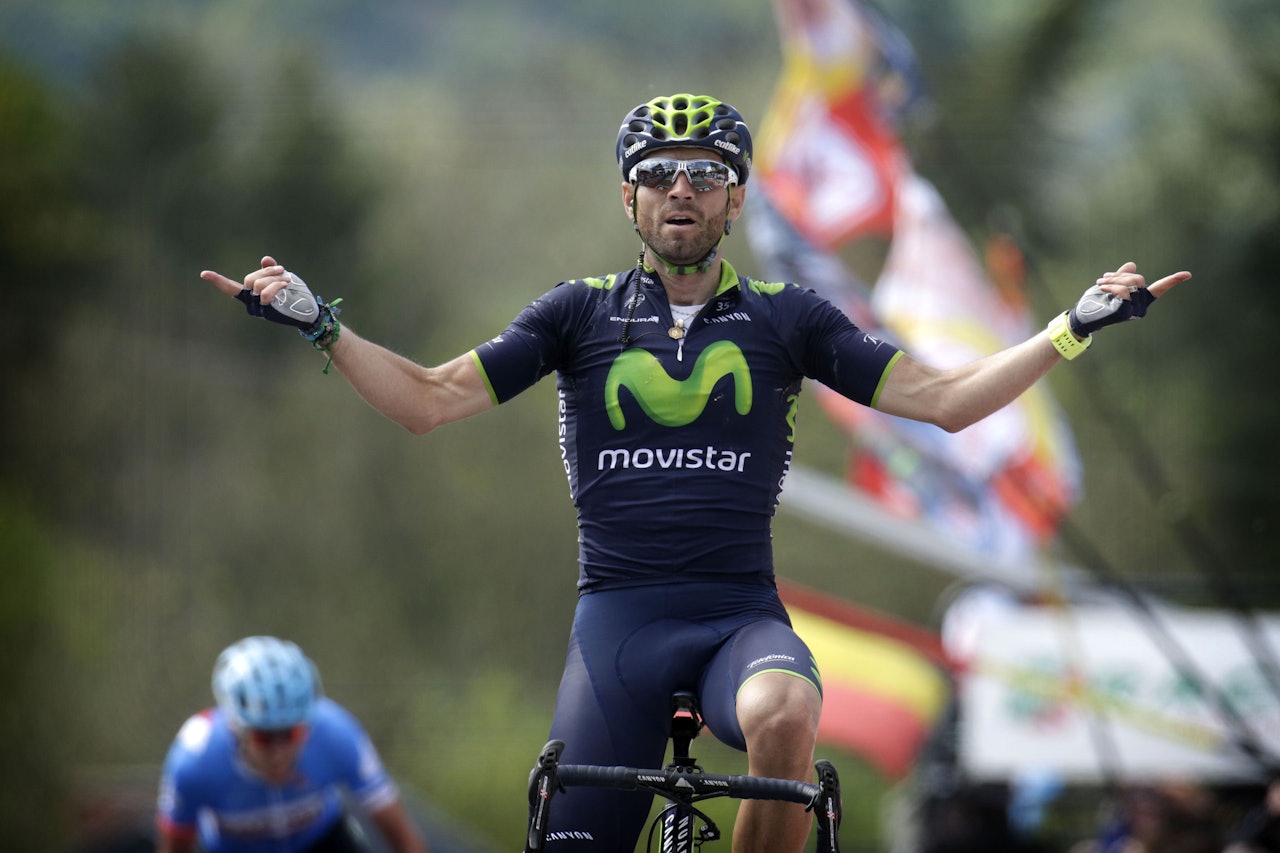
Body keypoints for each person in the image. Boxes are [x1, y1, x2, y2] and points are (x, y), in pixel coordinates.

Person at [200, 93, 1191, 853]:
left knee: (787, 711)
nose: (682, 189)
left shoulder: (786, 316)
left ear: (735, 196)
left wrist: (1068, 330)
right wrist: (318, 324)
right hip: (617, 628)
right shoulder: (575, 314)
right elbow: (425, 399)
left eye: (705, 174)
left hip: (735, 616)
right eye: (660, 172)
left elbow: (942, 400)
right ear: (627, 194)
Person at [155, 636, 429, 853]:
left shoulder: (337, 733)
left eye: (292, 734)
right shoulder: (195, 759)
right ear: (235, 726)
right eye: (265, 736)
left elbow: (403, 838)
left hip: (320, 841)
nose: (279, 751)